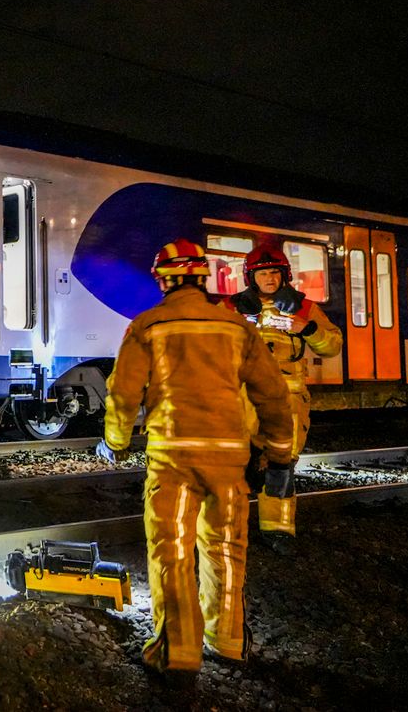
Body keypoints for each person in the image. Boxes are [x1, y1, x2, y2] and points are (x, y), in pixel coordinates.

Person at [95, 239, 293, 681]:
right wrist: (279, 452)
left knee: (173, 551)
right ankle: (228, 642)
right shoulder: (236, 328)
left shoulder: (147, 326)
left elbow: (123, 393)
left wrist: (116, 439)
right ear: (204, 278)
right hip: (228, 460)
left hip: (173, 459)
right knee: (226, 549)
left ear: (163, 279)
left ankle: (179, 652)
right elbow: (273, 394)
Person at [223, 244, 343, 540]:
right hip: (241, 399)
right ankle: (226, 529)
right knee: (230, 467)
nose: (270, 278)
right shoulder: (231, 308)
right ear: (251, 277)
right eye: (262, 273)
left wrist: (307, 328)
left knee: (281, 466)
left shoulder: (304, 308)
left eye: (275, 272)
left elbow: (333, 346)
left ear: (284, 275)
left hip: (287, 400)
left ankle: (277, 532)